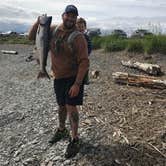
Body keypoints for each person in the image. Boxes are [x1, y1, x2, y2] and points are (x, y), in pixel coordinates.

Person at [28, 5, 89, 158]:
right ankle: (62, 130)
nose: (70, 19)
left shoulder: (79, 37)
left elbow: (84, 62)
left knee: (71, 107)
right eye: (68, 15)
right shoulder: (53, 29)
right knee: (61, 106)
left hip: (73, 78)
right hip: (58, 77)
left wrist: (77, 84)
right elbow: (31, 37)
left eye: (73, 17)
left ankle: (75, 139)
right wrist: (38, 23)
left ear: (76, 18)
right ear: (63, 15)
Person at [76, 17, 92, 84]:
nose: (80, 28)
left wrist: (86, 54)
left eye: (82, 27)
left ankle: (85, 79)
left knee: (85, 67)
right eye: (78, 27)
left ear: (85, 27)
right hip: (75, 59)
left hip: (84, 58)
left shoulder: (86, 37)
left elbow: (90, 48)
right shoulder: (74, 37)